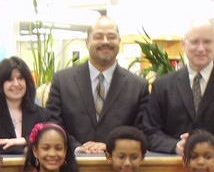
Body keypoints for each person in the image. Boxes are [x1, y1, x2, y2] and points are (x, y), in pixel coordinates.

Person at [144, 19, 214, 155]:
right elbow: (149, 132)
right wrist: (176, 146)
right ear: (183, 45)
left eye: (207, 42)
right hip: (172, 167)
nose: (201, 48)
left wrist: (208, 147)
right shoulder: (162, 85)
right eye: (195, 42)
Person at [45, 15, 150, 153]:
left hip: (119, 167)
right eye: (98, 37)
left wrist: (111, 146)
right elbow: (53, 124)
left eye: (111, 37)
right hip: (71, 166)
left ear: (119, 41)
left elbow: (143, 131)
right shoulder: (62, 81)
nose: (105, 41)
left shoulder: (138, 86)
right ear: (87, 42)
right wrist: (77, 147)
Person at [0, 56, 46, 154]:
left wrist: (24, 140)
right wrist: (25, 148)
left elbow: (48, 141)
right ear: (0, 84)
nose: (16, 84)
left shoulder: (42, 113)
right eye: (10, 79)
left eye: (20, 78)